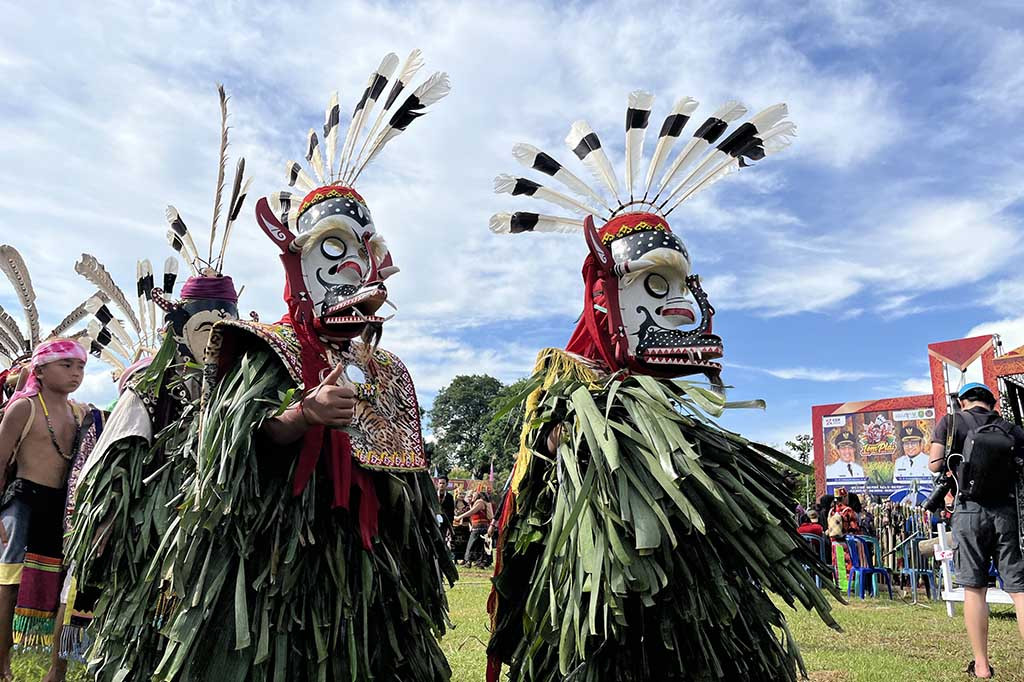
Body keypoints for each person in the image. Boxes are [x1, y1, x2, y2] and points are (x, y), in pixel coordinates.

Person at [485, 93, 837, 681]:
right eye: (652, 287)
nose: (677, 308)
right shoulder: (566, 385)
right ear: (605, 298)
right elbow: (533, 500)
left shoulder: (676, 414)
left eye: (680, 287)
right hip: (602, 623)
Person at [147, 62, 456, 681]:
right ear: (298, 260)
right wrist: (302, 414)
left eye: (362, 251)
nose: (351, 269)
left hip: (367, 574)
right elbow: (234, 443)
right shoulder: (266, 344)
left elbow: (406, 486)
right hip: (278, 575)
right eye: (331, 250)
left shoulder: (389, 367)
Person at [0, 340, 102, 682]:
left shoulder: (81, 414)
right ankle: (2, 664)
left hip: (65, 509)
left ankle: (58, 669)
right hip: (23, 502)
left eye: (80, 367)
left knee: (71, 591)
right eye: (67, 365)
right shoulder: (24, 408)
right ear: (40, 371)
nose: (76, 373)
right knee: (8, 585)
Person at [928, 382, 1024, 679]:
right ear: (991, 403)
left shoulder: (951, 421)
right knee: (1020, 589)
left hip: (968, 511)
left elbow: (934, 464)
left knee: (974, 587)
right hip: (1006, 513)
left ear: (963, 401)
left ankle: (981, 666)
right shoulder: (1010, 428)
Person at [455, 490, 493, 567]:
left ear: (478, 495)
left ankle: (469, 562)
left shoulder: (480, 502)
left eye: (473, 495)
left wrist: (460, 517)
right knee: (479, 545)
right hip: (479, 527)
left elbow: (472, 512)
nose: (472, 496)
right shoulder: (476, 503)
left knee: (472, 544)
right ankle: (480, 562)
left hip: (480, 527)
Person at [437, 475, 455, 546]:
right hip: (433, 522)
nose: (441, 485)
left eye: (443, 483)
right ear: (437, 484)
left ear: (447, 484)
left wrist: (450, 526)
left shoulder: (449, 497)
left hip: (444, 523)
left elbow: (451, 512)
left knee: (442, 541)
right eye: (440, 483)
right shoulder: (433, 495)